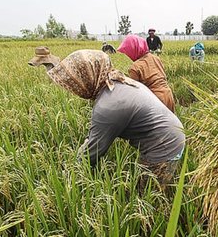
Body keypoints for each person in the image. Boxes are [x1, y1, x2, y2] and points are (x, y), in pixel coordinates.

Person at [30, 48, 185, 189]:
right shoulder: (120, 82)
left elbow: (92, 152)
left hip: (164, 146)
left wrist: (69, 175)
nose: (74, 89)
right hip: (172, 134)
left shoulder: (108, 105)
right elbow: (95, 135)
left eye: (76, 83)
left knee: (146, 195)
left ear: (87, 78)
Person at [118, 34, 176, 112]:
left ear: (133, 50)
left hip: (155, 99)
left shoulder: (135, 67)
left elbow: (135, 91)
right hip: (168, 95)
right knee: (170, 123)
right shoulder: (156, 58)